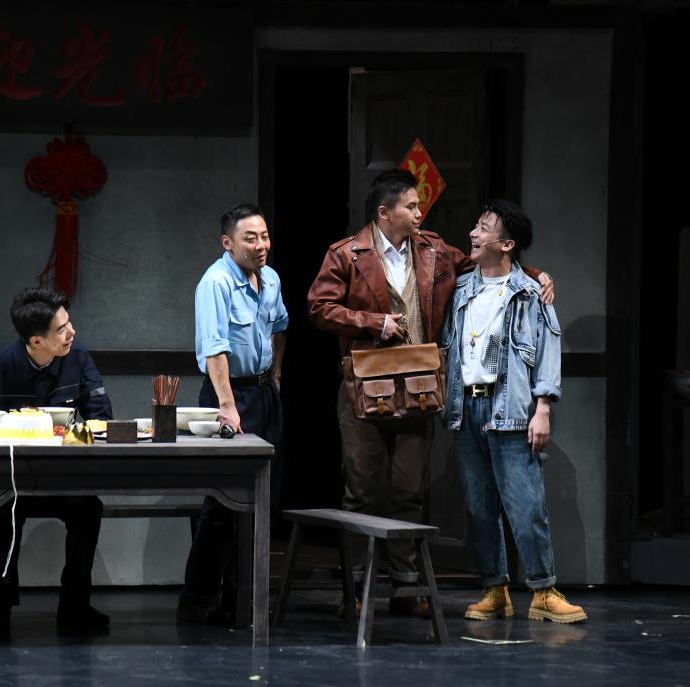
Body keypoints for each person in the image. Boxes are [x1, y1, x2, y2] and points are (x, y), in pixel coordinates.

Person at [307, 170, 553, 618]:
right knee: (361, 492)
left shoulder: (433, 250)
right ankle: (355, 587)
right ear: (385, 212)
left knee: (409, 491)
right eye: (411, 206)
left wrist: (535, 274)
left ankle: (406, 586)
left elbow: (488, 265)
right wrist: (374, 322)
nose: (420, 212)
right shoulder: (347, 253)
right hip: (364, 389)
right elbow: (319, 306)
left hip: (418, 387)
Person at [441, 200, 586, 624]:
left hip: (510, 409)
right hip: (466, 407)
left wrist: (543, 409)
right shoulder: (460, 290)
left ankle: (543, 590)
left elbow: (547, 352)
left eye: (483, 228)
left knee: (526, 505)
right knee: (478, 506)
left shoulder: (530, 293)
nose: (473, 233)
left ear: (506, 244)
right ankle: (495, 589)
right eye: (475, 225)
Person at [0, 287, 111, 635]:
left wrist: (74, 432)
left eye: (69, 323)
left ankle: (75, 606)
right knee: (4, 512)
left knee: (89, 508)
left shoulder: (79, 357)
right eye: (61, 329)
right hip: (11, 479)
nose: (72, 332)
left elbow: (101, 417)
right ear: (35, 341)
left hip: (63, 477)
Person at [177, 203, 287, 625]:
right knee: (223, 503)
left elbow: (280, 327)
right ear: (228, 242)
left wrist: (276, 376)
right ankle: (197, 598)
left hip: (263, 393)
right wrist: (227, 406)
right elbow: (215, 349)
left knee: (263, 500)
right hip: (228, 397)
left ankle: (240, 599)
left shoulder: (270, 278)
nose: (261, 245)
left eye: (264, 236)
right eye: (250, 238)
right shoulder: (216, 282)